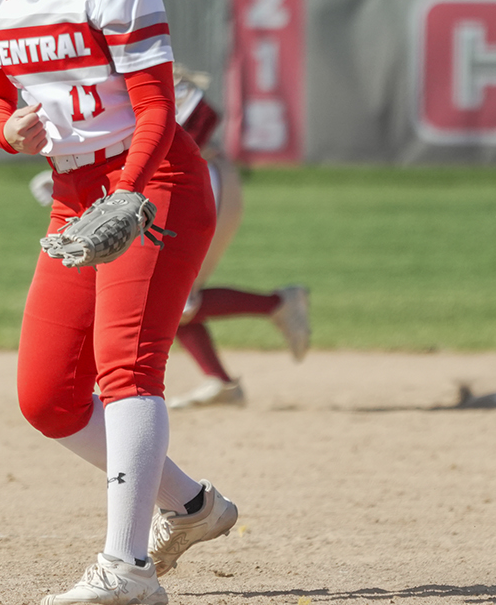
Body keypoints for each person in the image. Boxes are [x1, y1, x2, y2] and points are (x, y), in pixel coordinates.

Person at [0, 0, 238, 605]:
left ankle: (127, 566)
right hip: (75, 189)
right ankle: (192, 507)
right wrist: (6, 131)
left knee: (127, 366)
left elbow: (156, 108)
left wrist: (130, 191)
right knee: (46, 397)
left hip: (154, 178)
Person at [29, 65, 312, 410]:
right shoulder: (92, 77)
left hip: (199, 180)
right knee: (164, 291)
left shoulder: (135, 67)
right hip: (150, 188)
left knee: (172, 295)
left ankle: (276, 305)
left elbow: (201, 117)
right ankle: (221, 379)